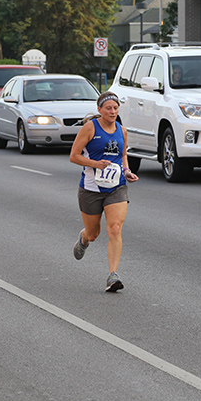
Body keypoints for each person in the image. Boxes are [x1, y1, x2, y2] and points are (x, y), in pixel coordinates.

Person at [69, 91, 139, 292]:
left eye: (115, 108)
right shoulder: (90, 128)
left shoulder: (122, 130)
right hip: (91, 188)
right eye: (108, 108)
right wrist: (95, 164)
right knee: (93, 233)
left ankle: (113, 275)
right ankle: (83, 239)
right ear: (99, 109)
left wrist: (126, 171)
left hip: (116, 187)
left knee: (115, 228)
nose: (112, 111)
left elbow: (123, 154)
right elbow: (73, 156)